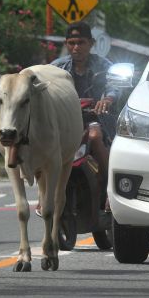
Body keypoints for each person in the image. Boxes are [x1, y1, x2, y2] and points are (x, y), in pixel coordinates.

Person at [39, 21, 119, 216]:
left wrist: (108, 99)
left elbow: (114, 86)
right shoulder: (55, 68)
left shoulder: (104, 65)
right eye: (72, 42)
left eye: (81, 42)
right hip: (64, 123)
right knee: (43, 145)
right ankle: (44, 196)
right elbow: (41, 88)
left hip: (95, 119)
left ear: (91, 43)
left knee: (94, 137)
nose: (76, 47)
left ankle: (111, 191)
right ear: (66, 44)